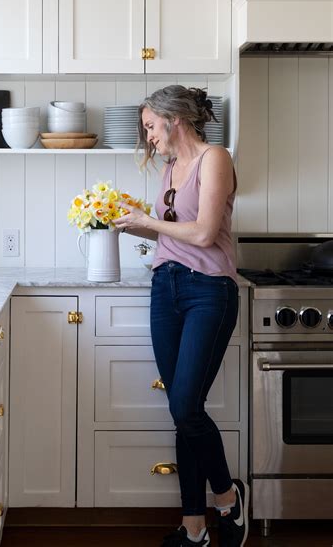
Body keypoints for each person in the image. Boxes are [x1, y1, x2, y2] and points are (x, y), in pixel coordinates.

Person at [113, 85, 249, 547]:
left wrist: (147, 223)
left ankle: (228, 497)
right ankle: (194, 529)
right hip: (165, 288)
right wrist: (136, 225)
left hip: (208, 291)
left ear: (175, 119)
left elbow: (207, 233)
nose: (148, 137)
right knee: (181, 412)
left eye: (151, 126)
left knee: (186, 405)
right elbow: (174, 235)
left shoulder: (215, 158)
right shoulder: (171, 166)